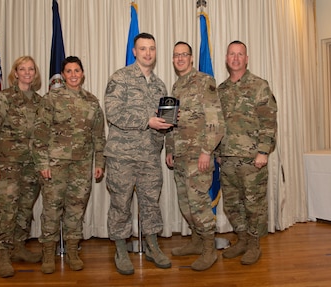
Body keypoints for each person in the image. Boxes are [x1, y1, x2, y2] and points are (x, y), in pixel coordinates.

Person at [104, 32, 173, 275]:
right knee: (121, 204)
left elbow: (164, 120)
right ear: (135, 51)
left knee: (150, 203)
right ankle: (121, 249)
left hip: (149, 156)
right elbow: (112, 113)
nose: (147, 53)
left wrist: (165, 126)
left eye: (152, 49)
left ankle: (152, 245)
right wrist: (147, 121)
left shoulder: (160, 85)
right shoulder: (120, 78)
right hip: (122, 155)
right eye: (143, 49)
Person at [33, 56, 106, 273]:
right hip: (55, 164)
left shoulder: (92, 101)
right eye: (69, 71)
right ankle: (48, 253)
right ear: (63, 75)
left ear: (83, 73)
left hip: (82, 165)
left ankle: (73, 251)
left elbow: (98, 136)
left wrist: (99, 162)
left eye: (77, 71)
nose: (73, 75)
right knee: (52, 209)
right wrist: (42, 163)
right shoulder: (51, 99)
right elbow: (39, 134)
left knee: (76, 209)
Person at [216, 40, 277, 265]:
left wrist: (263, 152)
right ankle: (241, 239)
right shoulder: (221, 90)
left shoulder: (259, 85)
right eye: (232, 54)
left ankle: (254, 245)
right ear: (226, 58)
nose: (235, 58)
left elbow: (269, 121)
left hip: (253, 159)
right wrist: (218, 153)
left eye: (240, 54)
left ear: (247, 58)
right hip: (228, 158)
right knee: (232, 204)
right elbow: (217, 124)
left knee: (254, 205)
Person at [165, 41, 225, 271]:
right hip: (180, 156)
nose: (180, 58)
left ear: (191, 58)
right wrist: (170, 148)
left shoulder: (204, 82)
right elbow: (172, 122)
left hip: (198, 156)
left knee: (199, 204)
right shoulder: (176, 86)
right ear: (172, 59)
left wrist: (206, 151)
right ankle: (197, 240)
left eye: (184, 55)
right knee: (185, 204)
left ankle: (209, 248)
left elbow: (215, 122)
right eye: (176, 55)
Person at [0, 56, 43, 278]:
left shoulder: (39, 102)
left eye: (31, 69)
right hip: (7, 163)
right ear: (15, 73)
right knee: (6, 210)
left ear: (35, 73)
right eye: (22, 69)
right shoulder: (4, 98)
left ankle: (18, 247)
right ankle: (3, 253)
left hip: (31, 165)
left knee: (25, 208)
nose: (27, 72)